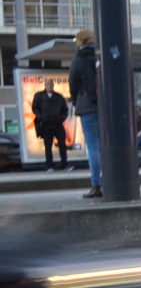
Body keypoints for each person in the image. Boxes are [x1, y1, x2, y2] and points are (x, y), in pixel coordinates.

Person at [68, 29, 101, 198]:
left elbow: (73, 85)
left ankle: (97, 185)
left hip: (87, 108)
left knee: (93, 147)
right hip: (104, 108)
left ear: (80, 42)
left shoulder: (78, 60)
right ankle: (110, 179)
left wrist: (76, 101)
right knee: (104, 146)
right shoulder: (99, 57)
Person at [32, 78, 69, 172]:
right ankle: (49, 165)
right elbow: (35, 108)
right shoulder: (39, 96)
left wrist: (61, 118)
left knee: (62, 144)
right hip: (46, 125)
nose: (50, 85)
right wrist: (41, 117)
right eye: (48, 84)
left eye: (51, 84)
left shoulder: (59, 97)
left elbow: (65, 110)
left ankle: (64, 164)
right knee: (48, 146)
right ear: (45, 85)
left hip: (58, 124)